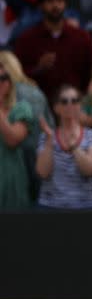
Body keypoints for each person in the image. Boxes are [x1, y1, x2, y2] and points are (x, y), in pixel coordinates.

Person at [14, 0, 92, 102]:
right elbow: (16, 75)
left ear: (66, 4)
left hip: (75, 105)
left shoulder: (82, 37)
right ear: (41, 5)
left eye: (60, 0)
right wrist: (38, 68)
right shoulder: (27, 39)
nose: (56, 6)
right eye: (50, 1)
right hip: (39, 106)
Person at [36, 84, 92, 209]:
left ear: (80, 105)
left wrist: (74, 147)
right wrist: (50, 141)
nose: (70, 105)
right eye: (64, 101)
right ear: (56, 108)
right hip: (51, 207)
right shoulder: (46, 137)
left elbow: (90, 170)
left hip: (85, 207)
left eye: (75, 101)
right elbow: (42, 173)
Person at [0, 57, 33, 208]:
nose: (1, 82)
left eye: (4, 78)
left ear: (10, 82)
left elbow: (13, 140)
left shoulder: (21, 108)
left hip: (10, 180)